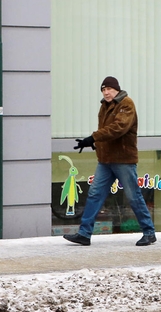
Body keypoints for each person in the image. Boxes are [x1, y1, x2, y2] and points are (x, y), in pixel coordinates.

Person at [64, 76, 156, 247]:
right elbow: (105, 132)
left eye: (109, 89)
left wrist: (92, 138)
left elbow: (118, 128)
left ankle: (149, 233)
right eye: (103, 90)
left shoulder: (126, 104)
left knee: (133, 196)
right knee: (94, 194)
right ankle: (84, 233)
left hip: (123, 160)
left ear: (117, 89)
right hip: (105, 161)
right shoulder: (104, 107)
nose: (106, 92)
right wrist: (96, 144)